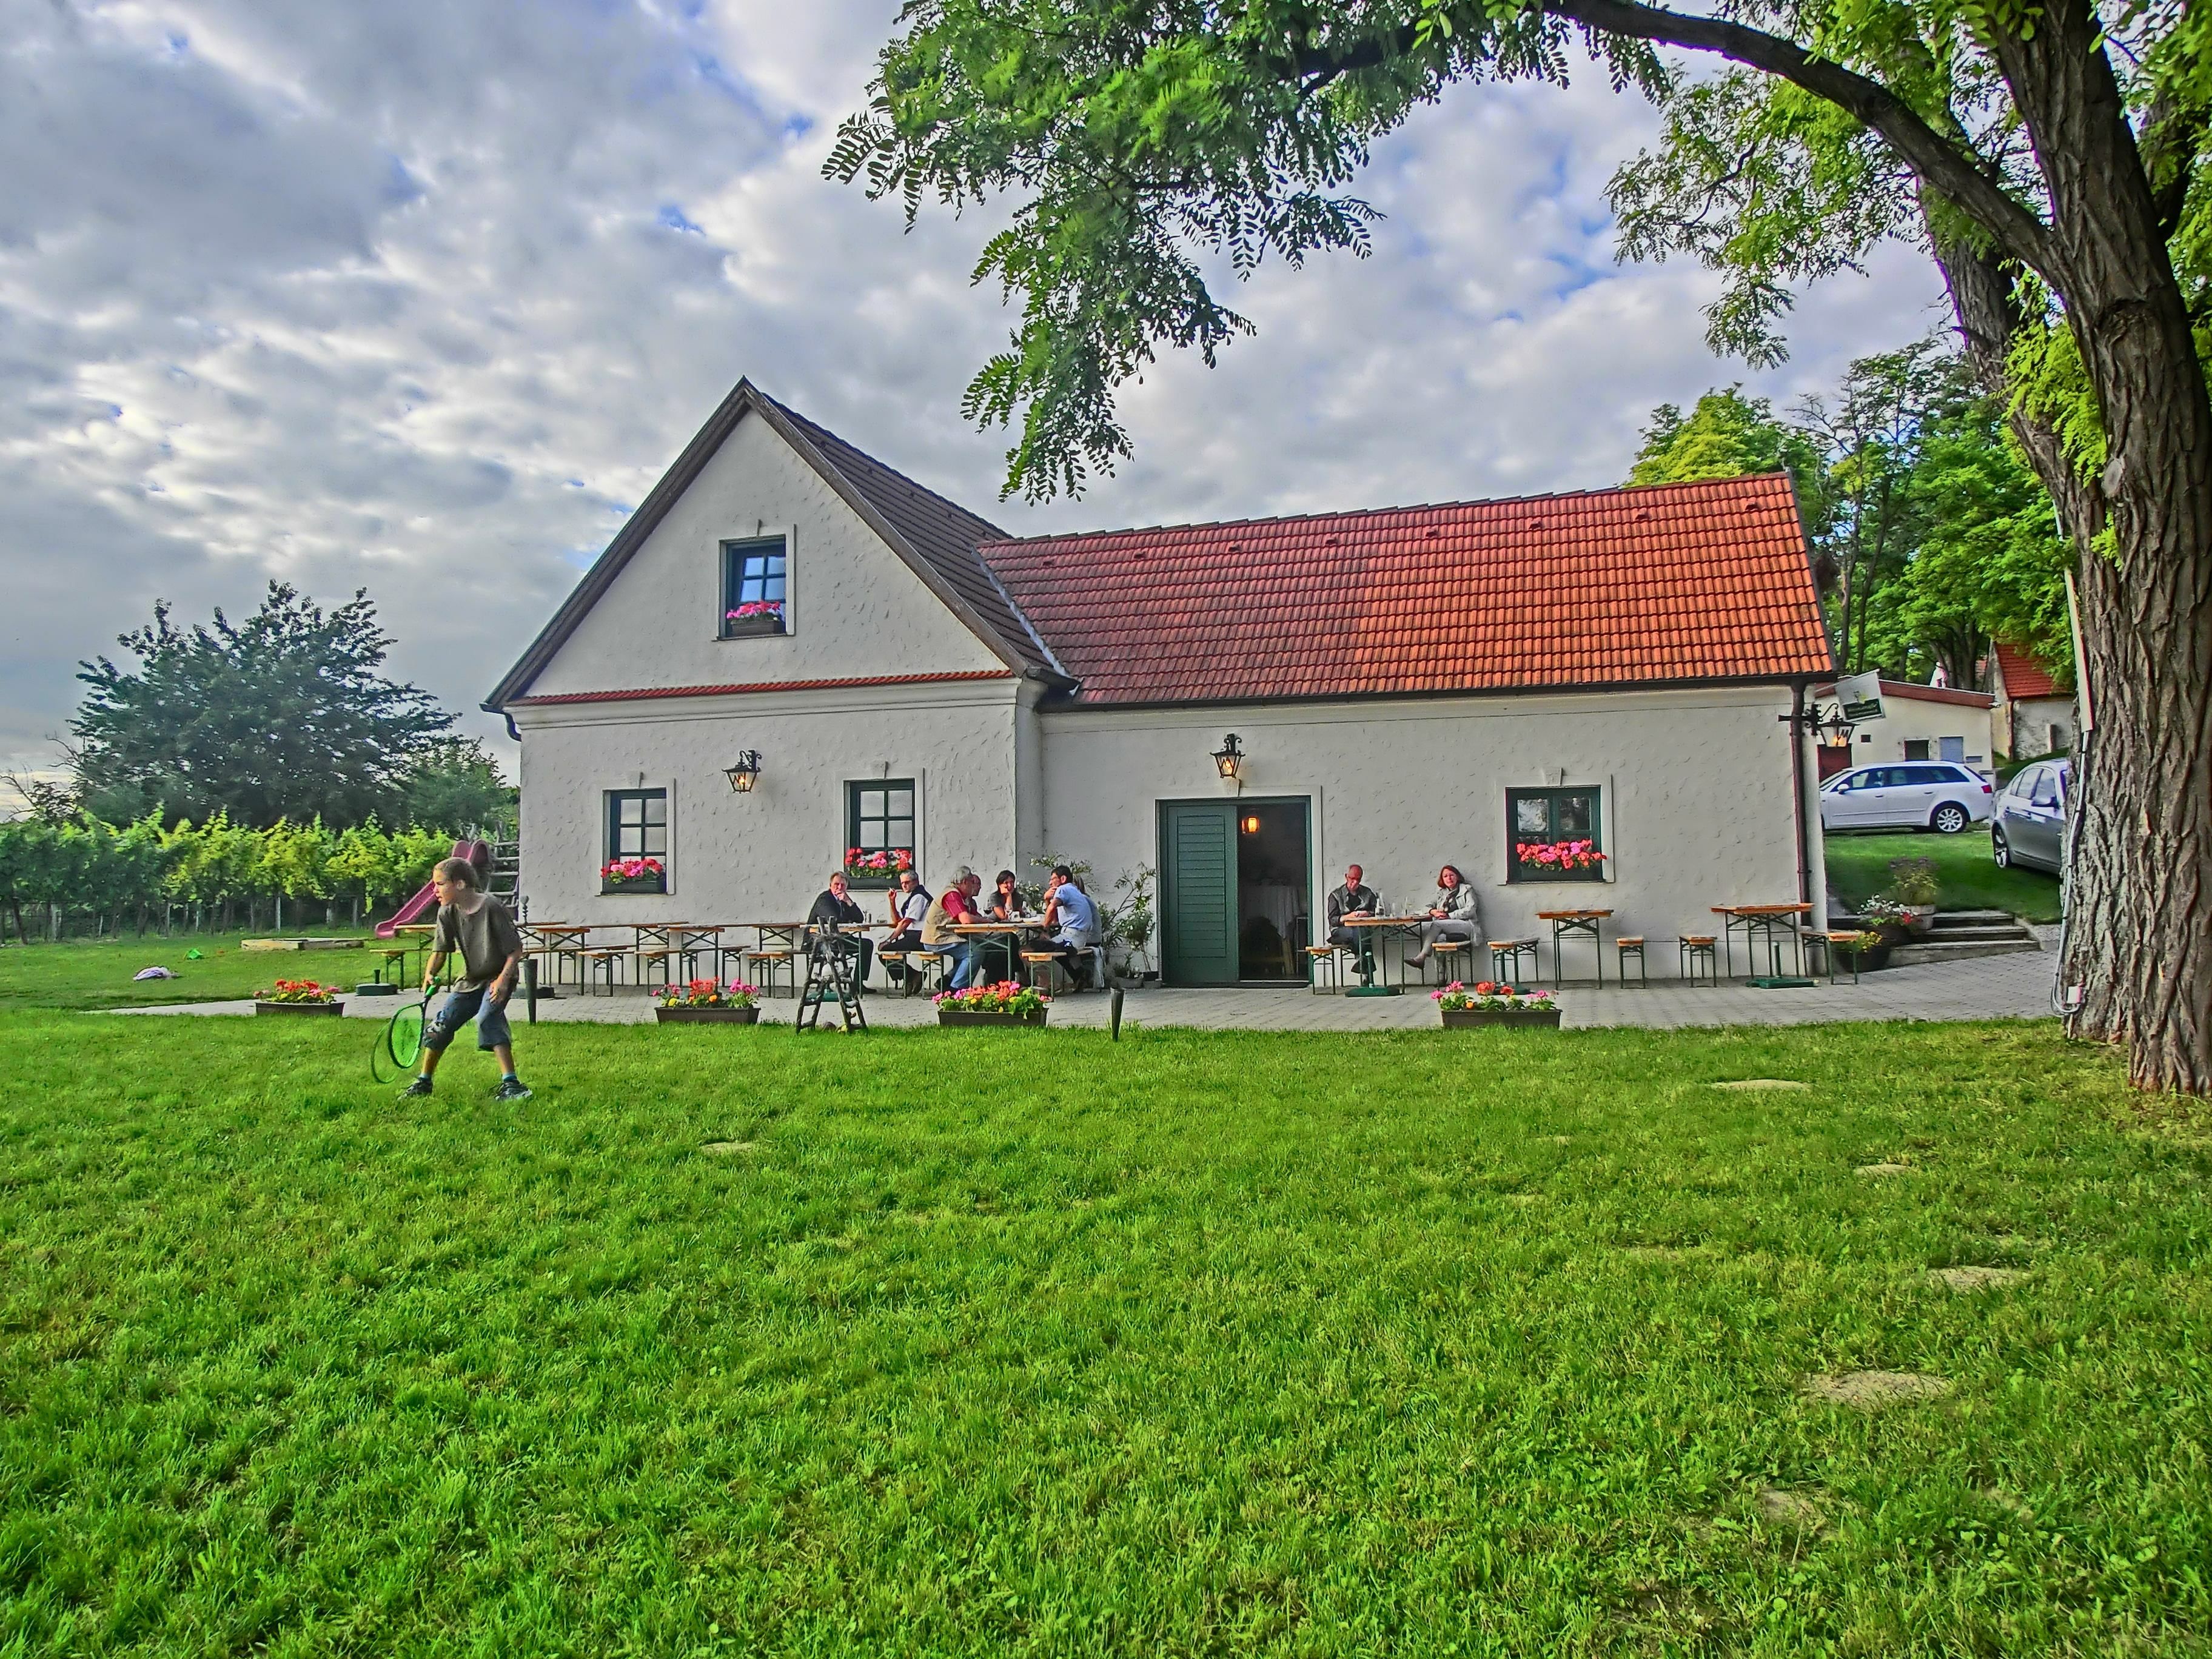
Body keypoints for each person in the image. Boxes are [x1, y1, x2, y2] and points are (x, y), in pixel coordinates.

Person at [402, 857, 530, 1100]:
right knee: (441, 1025)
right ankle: (424, 1082)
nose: (435, 891)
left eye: (440, 884)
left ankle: (513, 1085)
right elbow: (440, 950)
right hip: (470, 979)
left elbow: (515, 951)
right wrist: (430, 973)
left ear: (460, 884)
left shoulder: (491, 906)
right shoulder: (446, 912)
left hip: (500, 975)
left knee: (487, 1018)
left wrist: (502, 980)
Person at [1406, 863, 1482, 969]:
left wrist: (1449, 916)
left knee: (1436, 924)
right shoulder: (1442, 893)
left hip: (1466, 926)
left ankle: (1422, 957)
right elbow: (1426, 907)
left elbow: (1471, 909)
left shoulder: (1466, 889)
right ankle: (1441, 978)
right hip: (1447, 928)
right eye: (1445, 876)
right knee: (1440, 938)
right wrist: (1433, 912)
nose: (1449, 878)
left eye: (1452, 875)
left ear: (1457, 877)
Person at [806, 870, 873, 989]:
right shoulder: (825, 899)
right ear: (830, 886)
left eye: (843, 885)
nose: (840, 888)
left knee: (866, 945)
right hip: (820, 940)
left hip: (840, 938)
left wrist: (849, 902)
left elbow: (859, 918)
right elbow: (833, 919)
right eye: (836, 884)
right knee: (833, 948)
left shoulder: (844, 900)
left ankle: (858, 984)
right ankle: (825, 985)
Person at [921, 866, 982, 989]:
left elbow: (974, 916)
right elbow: (966, 920)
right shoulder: (952, 895)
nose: (974, 886)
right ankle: (956, 989)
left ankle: (946, 980)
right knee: (975, 952)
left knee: (980, 946)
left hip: (946, 936)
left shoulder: (961, 896)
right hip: (936, 938)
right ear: (965, 882)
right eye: (972, 883)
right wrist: (986, 921)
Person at [1043, 863, 1102, 987]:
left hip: (1076, 937)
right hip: (1080, 936)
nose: (1050, 883)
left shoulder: (1063, 889)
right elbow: (1056, 919)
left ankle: (1048, 985)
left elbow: (1052, 908)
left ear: (1063, 879)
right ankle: (1079, 976)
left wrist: (1045, 928)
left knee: (1039, 947)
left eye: (1053, 879)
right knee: (1055, 947)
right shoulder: (1076, 893)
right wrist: (1047, 899)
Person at [1325, 862, 1381, 977]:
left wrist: (1367, 914)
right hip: (1340, 930)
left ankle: (1362, 966)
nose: (1354, 883)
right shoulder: (1336, 895)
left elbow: (1378, 912)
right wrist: (1348, 916)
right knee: (1362, 934)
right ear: (1346, 877)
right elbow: (1333, 920)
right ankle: (1366, 973)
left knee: (1363, 932)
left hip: (1362, 929)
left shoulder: (1368, 893)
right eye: (1352, 879)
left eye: (1358, 880)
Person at [883, 867, 931, 989]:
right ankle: (912, 977)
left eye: (907, 883)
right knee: (887, 952)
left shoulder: (919, 897)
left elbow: (906, 922)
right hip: (912, 935)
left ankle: (912, 976)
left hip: (920, 936)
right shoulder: (913, 896)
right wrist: (892, 902)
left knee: (885, 950)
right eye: (902, 883)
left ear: (916, 882)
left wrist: (889, 940)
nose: (904, 885)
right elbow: (898, 921)